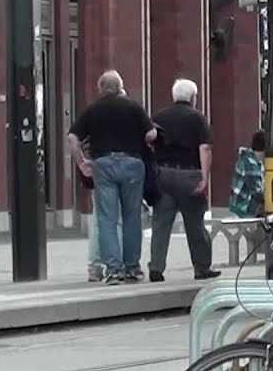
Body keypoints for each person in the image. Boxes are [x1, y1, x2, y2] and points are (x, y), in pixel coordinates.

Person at [67, 70, 157, 285]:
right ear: (120, 86)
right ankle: (132, 268)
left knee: (106, 219)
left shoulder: (93, 109)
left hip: (103, 164)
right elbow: (152, 134)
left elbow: (72, 137)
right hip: (133, 164)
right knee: (132, 217)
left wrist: (82, 163)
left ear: (101, 88)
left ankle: (113, 270)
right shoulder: (133, 106)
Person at [148, 78, 220, 282]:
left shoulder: (159, 117)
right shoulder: (198, 118)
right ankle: (201, 267)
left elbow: (150, 143)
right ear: (193, 97)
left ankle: (156, 266)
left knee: (161, 222)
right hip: (189, 174)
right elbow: (204, 148)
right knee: (195, 223)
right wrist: (205, 178)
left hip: (164, 174)